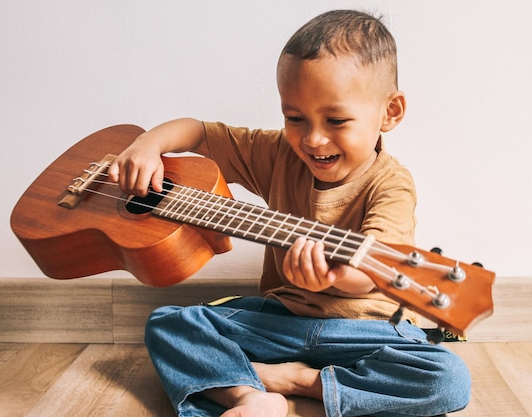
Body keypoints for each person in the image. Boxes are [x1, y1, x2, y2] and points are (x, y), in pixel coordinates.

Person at [108, 9, 470, 417]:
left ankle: (296, 384)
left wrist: (335, 276)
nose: (313, 139)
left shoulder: (392, 184)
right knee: (168, 324)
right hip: (280, 321)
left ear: (391, 112)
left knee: (447, 378)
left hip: (365, 333)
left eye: (336, 120)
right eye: (294, 118)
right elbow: (200, 132)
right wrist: (145, 145)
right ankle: (251, 398)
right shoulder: (279, 153)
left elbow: (379, 265)